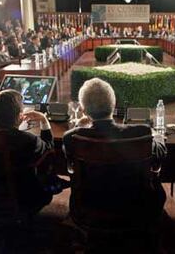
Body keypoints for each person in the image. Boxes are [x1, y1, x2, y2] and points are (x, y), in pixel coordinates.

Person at [63, 78, 167, 221]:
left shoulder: (71, 137)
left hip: (90, 207)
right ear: (114, 104)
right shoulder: (142, 132)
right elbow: (160, 151)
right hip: (138, 207)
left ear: (83, 111)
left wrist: (78, 127)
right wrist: (157, 135)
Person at [0, 90, 67, 211]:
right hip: (24, 197)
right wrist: (44, 120)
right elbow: (49, 148)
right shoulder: (28, 140)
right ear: (19, 117)